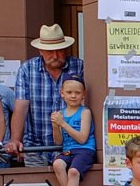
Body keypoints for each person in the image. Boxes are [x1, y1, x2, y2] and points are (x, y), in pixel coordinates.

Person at [7, 24, 84, 167]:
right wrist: (15, 139)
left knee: (68, 185)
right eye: (50, 51)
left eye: (59, 51)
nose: (55, 56)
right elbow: (21, 108)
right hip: (36, 145)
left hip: (70, 145)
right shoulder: (27, 69)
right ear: (41, 50)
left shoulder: (79, 67)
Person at [50, 76, 96, 186]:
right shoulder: (60, 113)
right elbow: (58, 141)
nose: (73, 96)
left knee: (73, 172)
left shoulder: (85, 112)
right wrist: (55, 126)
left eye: (77, 92)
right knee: (57, 164)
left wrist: (63, 124)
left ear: (84, 94)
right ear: (62, 93)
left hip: (85, 150)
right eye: (69, 92)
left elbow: (82, 138)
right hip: (68, 150)